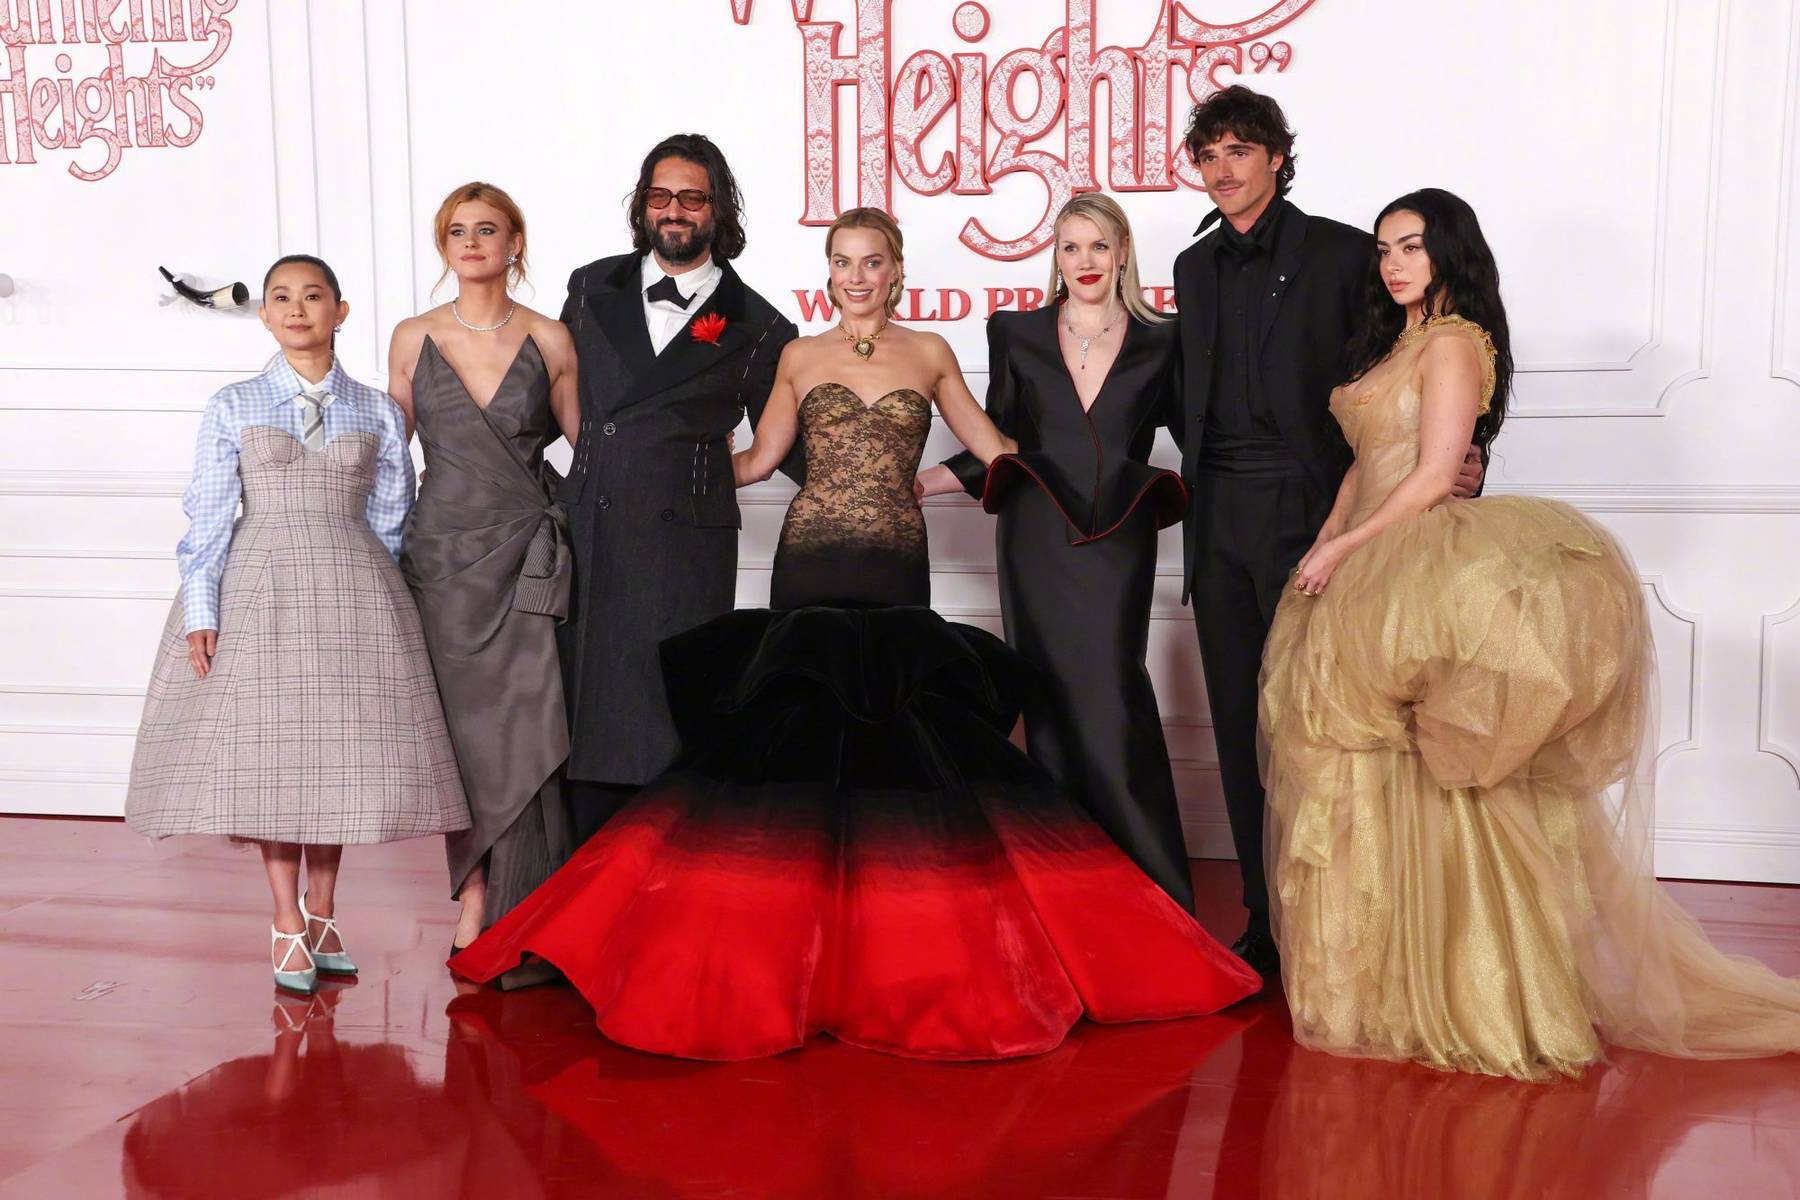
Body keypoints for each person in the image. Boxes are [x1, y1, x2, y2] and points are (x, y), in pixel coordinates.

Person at [449, 210, 1262, 1061]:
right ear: (829, 273)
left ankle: (887, 953)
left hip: (895, 570)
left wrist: (1101, 491)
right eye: (842, 263)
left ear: (894, 270)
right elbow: (758, 462)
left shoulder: (931, 351)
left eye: (872, 262)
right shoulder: (800, 356)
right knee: (794, 758)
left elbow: (1001, 450)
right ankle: (780, 950)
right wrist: (658, 477)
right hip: (810, 563)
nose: (857, 277)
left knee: (895, 760)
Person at [1259, 188, 1800, 1079]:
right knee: (1364, 773)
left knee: (1448, 771)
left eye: (1412, 246)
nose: (1393, 264)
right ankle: (1382, 986)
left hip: (1416, 560)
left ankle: (1473, 988)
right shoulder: (1391, 344)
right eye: (1385, 249)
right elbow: (1363, 466)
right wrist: (1325, 545)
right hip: (1365, 564)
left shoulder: (1455, 342)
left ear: (1450, 252)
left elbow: (1435, 472)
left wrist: (1348, 546)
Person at [1171, 86, 1486, 977]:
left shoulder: (1347, 253)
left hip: (1315, 511)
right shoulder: (1191, 268)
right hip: (1216, 512)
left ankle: (1339, 924)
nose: (1224, 169)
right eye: (1209, 155)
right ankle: (1265, 923)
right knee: (1240, 724)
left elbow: (1418, 363)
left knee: (1322, 728)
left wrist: (1468, 457)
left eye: (1240, 150)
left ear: (1277, 158)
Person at [125, 255, 468, 995]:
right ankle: (285, 918)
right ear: (265, 314)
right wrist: (202, 609)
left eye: (313, 296)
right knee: (272, 756)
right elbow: (207, 516)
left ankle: (324, 912)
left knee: (333, 754)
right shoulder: (234, 403)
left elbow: (393, 518)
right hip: (260, 588)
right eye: (281, 297)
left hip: (353, 589)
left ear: (340, 311)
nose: (296, 309)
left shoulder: (377, 409)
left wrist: (385, 603)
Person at [916, 193, 1194, 912]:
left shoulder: (1165, 338)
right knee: (1046, 703)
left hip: (1118, 539)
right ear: (1056, 257)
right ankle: (1067, 892)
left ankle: (1155, 893)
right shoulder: (1016, 331)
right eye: (1071, 247)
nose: (1085, 261)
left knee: (1114, 696)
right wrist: (922, 482)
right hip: (1035, 536)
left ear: (1123, 252)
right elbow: (1000, 438)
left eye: (1099, 245)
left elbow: (1203, 437)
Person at [556, 133, 801, 843]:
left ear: (719, 209)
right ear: (642, 205)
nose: (674, 210)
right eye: (660, 196)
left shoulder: (759, 323)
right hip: (592, 526)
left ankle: (661, 884)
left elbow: (789, 443)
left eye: (692, 198)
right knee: (583, 714)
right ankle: (577, 890)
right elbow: (547, 392)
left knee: (668, 714)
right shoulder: (589, 286)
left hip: (683, 543)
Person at [388, 183, 580, 950]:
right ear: (445, 247)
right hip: (441, 557)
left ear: (514, 243)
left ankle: (528, 899)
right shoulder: (412, 337)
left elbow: (593, 452)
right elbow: (389, 460)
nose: (471, 243)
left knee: (528, 721)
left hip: (526, 552)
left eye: (487, 230)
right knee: (461, 732)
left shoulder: (552, 338)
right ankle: (472, 890)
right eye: (457, 232)